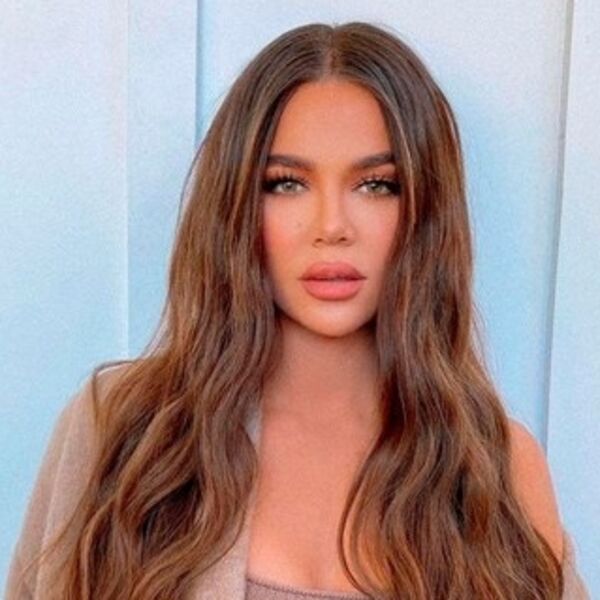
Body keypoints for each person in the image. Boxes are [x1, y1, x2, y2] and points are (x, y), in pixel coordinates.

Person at [5, 21, 590, 600]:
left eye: (377, 185)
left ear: (425, 210)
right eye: (287, 184)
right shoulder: (123, 433)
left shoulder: (498, 468)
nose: (331, 226)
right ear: (237, 205)